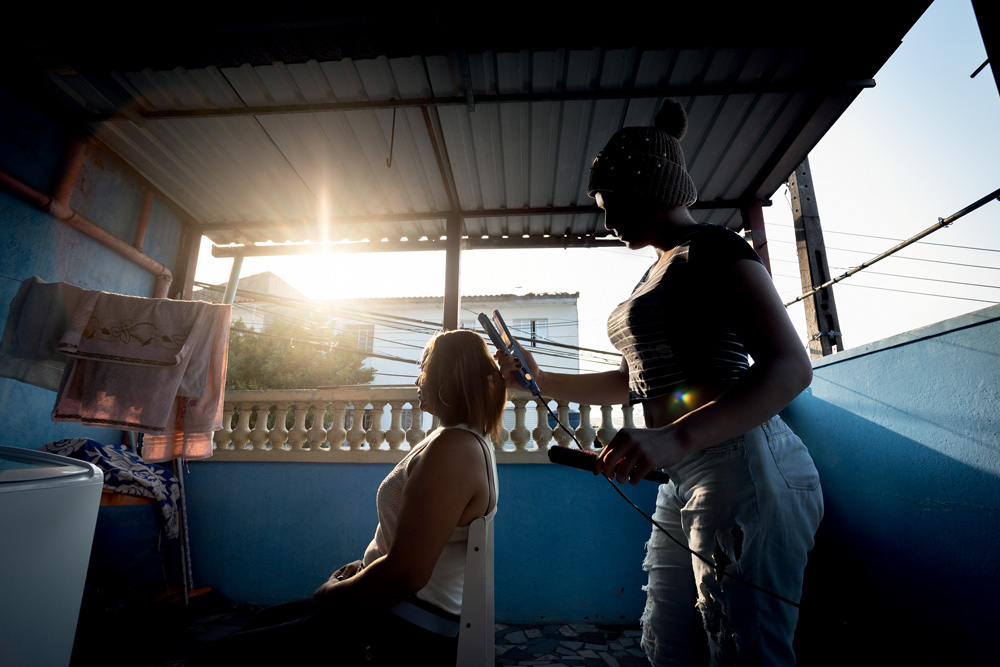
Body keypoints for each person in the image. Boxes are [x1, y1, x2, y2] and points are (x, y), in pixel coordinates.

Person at [496, 99, 823, 666]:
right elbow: (636, 381)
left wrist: (673, 438)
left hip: (743, 468)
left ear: (646, 187)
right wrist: (540, 380)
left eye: (610, 203)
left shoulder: (714, 249)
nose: (606, 220)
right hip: (688, 473)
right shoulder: (657, 269)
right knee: (669, 645)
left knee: (744, 653)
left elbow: (791, 367)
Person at [194, 329, 506, 666]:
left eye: (425, 367)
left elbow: (407, 576)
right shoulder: (456, 439)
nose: (419, 379)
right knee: (260, 623)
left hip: (401, 625)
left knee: (214, 659)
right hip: (391, 607)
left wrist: (330, 593)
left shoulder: (453, 450)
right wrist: (362, 571)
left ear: (447, 379)